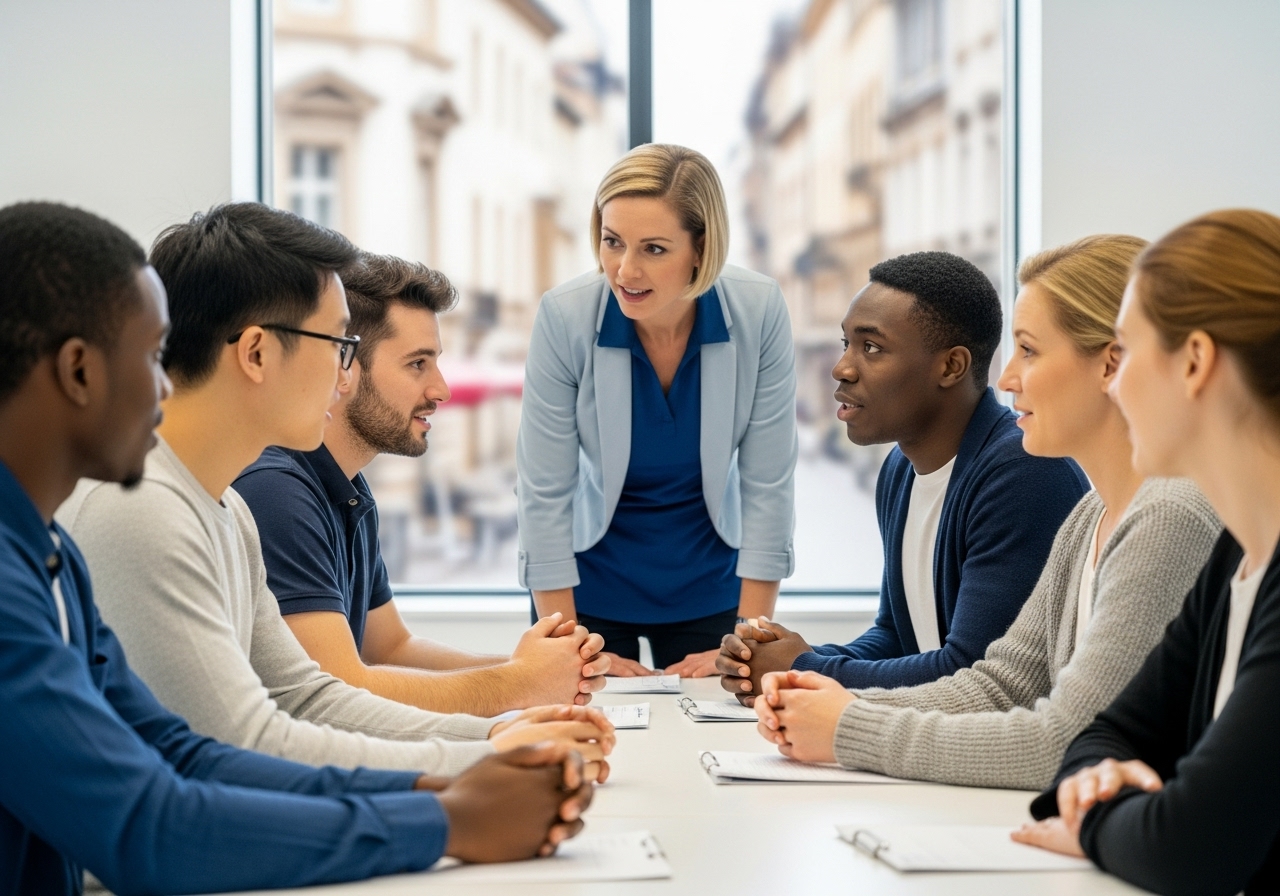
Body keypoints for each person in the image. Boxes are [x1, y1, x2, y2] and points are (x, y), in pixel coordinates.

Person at [0, 201, 594, 896]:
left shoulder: (80, 546)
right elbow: (163, 814)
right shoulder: (127, 513)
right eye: (339, 345)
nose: (163, 386)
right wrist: (449, 815)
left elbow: (215, 738)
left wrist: (468, 769)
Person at [752, 235, 1221, 790]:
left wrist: (845, 722)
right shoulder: (1089, 517)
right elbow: (1001, 686)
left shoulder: (1167, 516)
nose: (1005, 378)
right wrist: (816, 696)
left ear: (1110, 366)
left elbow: (1064, 740)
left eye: (1029, 350)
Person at [1012, 209, 1280, 895]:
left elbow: (1193, 843)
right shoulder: (1237, 555)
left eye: (1127, 352)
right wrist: (1102, 784)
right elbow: (1104, 736)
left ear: (1194, 362)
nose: (1116, 381)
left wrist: (1093, 819)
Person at [234, 253, 610, 716]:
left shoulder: (346, 487)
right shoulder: (276, 491)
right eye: (417, 364)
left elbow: (390, 648)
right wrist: (518, 683)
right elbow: (338, 690)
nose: (441, 390)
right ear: (342, 366)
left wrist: (538, 669)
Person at [717, 251, 1089, 699]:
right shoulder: (899, 470)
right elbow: (897, 636)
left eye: (871, 347)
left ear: (951, 367)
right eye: (846, 343)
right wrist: (783, 660)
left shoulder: (1023, 473)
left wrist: (804, 669)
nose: (841, 368)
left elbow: (975, 672)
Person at [516, 143, 798, 677]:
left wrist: (747, 645)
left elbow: (768, 484)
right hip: (583, 591)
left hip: (713, 587)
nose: (625, 270)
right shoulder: (564, 316)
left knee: (720, 721)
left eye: (654, 249)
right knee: (583, 719)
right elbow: (544, 491)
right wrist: (569, 652)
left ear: (701, 248)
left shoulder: (758, 309)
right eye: (612, 241)